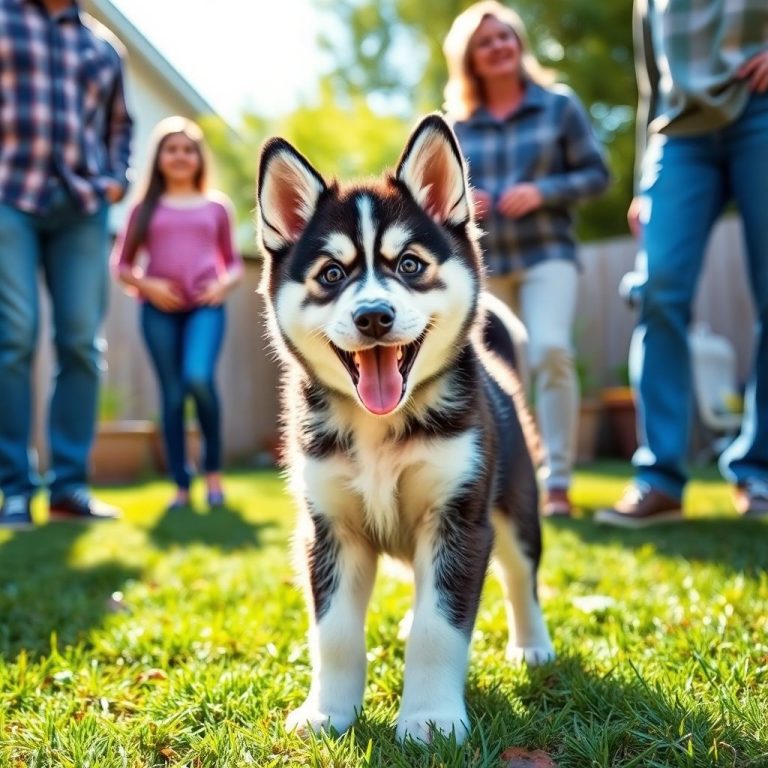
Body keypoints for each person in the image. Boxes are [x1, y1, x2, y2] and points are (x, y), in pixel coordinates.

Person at [597, 0, 768, 526]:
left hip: (759, 111)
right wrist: (640, 185)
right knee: (657, 287)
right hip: (678, 136)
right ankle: (660, 477)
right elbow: (651, 86)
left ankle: (759, 470)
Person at [443, 1, 610, 517]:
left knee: (551, 352)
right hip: (482, 263)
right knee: (478, 368)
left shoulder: (559, 106)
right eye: (485, 42)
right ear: (469, 57)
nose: (498, 47)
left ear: (520, 45)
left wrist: (542, 191)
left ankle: (556, 480)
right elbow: (432, 195)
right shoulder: (456, 126)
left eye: (505, 37)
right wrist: (466, 202)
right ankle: (488, 479)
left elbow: (597, 175)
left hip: (546, 253)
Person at [0, 0, 133, 529]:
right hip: (10, 197)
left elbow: (121, 125)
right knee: (15, 334)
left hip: (82, 207)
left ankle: (69, 487)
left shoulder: (103, 47)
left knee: (80, 341)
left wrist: (116, 177)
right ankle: (13, 488)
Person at [111, 117, 243, 511]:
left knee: (199, 379)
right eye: (172, 149)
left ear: (199, 157)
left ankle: (214, 475)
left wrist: (223, 284)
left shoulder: (217, 207)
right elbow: (120, 266)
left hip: (206, 307)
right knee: (171, 397)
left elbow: (234, 264)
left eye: (188, 149)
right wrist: (148, 285)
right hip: (158, 312)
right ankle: (182, 486)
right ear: (160, 158)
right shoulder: (143, 209)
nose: (180, 156)